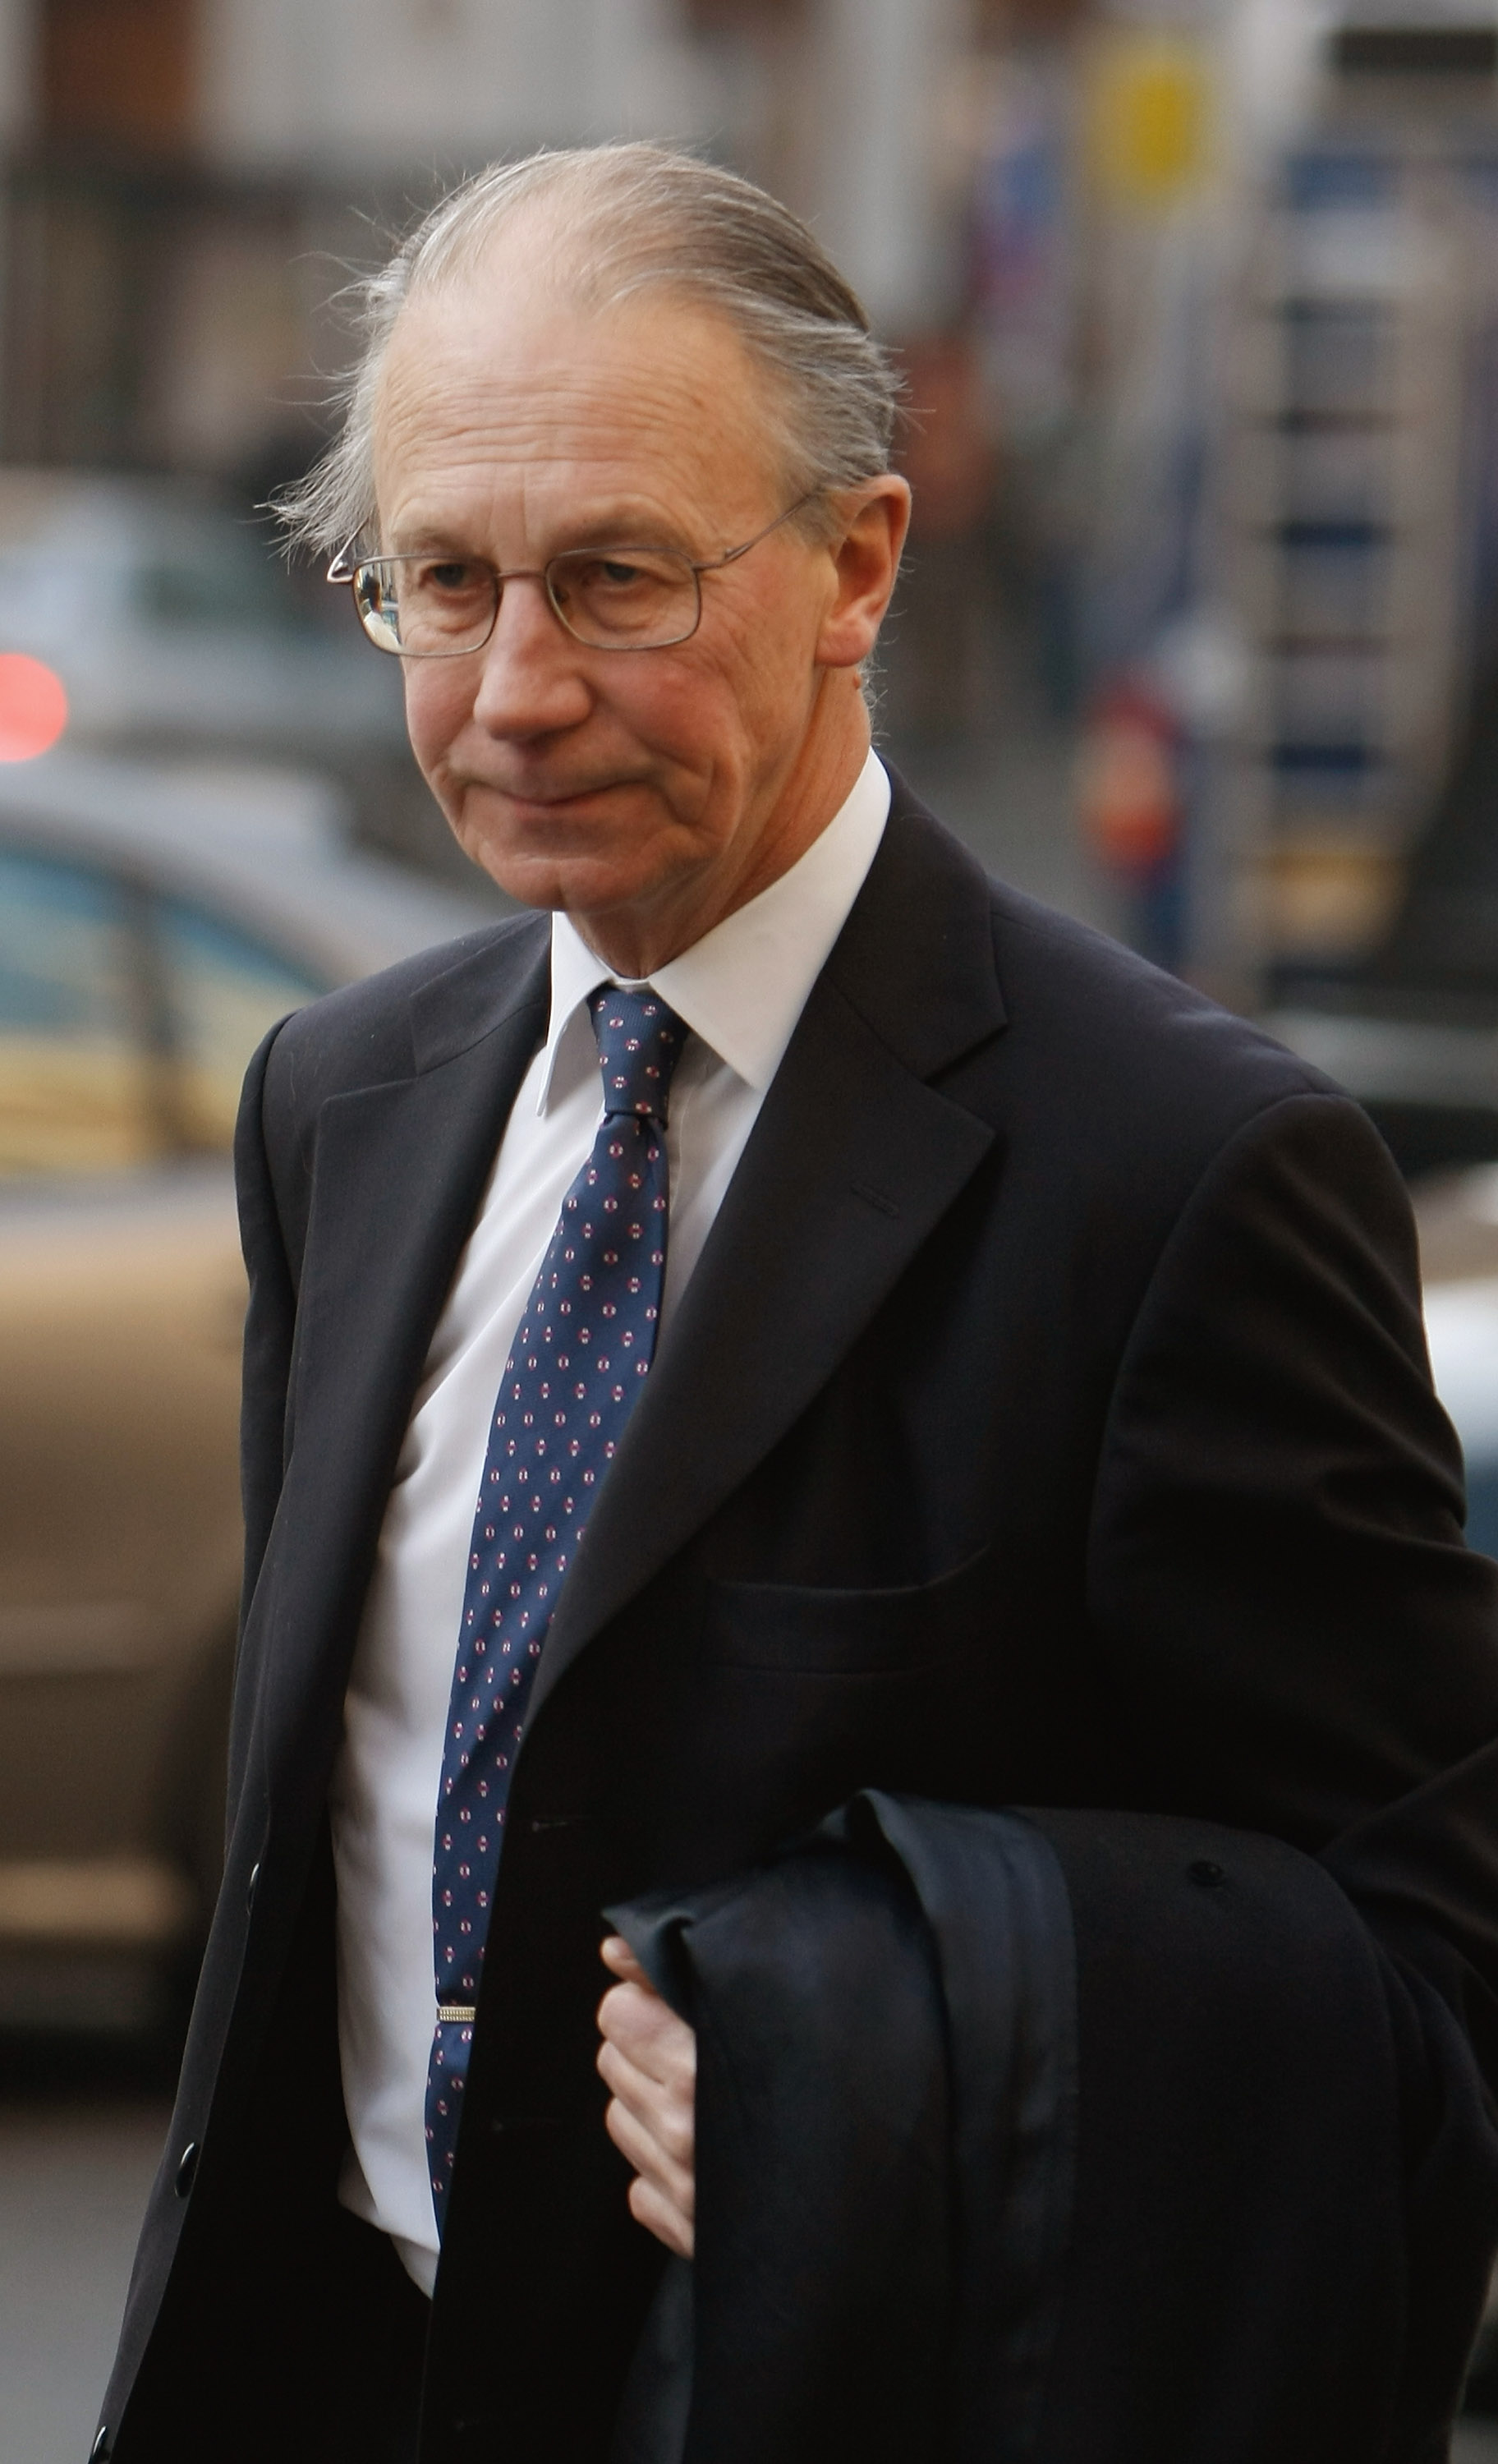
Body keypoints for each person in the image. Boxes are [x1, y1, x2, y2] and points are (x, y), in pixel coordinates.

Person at [96, 143, 1498, 2464]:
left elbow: (1430, 1987)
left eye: (615, 579)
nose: (516, 692)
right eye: (443, 582)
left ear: (856, 562)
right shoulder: (340, 1103)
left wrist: (893, 2044)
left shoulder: (1180, 1178)